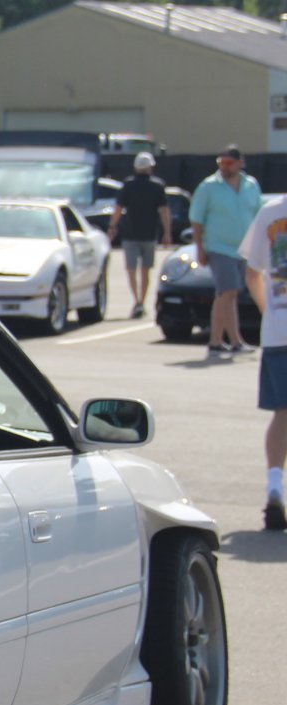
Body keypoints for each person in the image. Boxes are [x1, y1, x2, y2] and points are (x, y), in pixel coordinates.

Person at [239, 193, 287, 529]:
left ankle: (274, 485)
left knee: (282, 413)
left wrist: (267, 310)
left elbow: (252, 274)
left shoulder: (271, 212)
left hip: (279, 329)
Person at [189, 144, 262, 359]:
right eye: (220, 163)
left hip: (244, 248)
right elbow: (196, 220)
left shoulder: (251, 185)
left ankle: (220, 341)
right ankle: (229, 340)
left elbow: (258, 215)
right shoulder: (208, 187)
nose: (224, 167)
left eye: (229, 163)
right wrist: (200, 248)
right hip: (219, 247)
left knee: (226, 294)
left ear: (240, 163)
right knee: (228, 291)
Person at [109, 151, 172, 319]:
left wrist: (112, 226)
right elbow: (164, 211)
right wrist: (167, 233)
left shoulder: (128, 185)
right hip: (149, 233)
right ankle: (141, 302)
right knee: (146, 270)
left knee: (131, 269)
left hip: (130, 233)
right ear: (150, 167)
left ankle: (136, 300)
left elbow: (118, 208)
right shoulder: (157, 186)